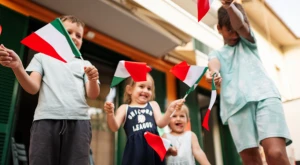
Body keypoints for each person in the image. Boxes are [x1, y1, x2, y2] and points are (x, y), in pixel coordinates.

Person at [0, 15, 100, 165]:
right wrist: (18, 67)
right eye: (69, 32)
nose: (74, 37)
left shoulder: (84, 64)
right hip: (45, 120)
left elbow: (93, 94)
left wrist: (92, 79)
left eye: (78, 35)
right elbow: (32, 87)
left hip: (79, 123)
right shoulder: (42, 58)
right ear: (57, 36)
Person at [205, 1, 292, 165]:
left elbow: (241, 27)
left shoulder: (248, 40)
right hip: (235, 107)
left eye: (237, 29)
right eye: (229, 30)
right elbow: (214, 64)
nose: (235, 34)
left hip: (264, 96)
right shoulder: (216, 53)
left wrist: (229, 5)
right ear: (219, 28)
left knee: (275, 153)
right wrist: (213, 73)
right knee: (251, 161)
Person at [104, 74, 183, 165]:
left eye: (149, 88)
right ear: (130, 89)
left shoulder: (153, 105)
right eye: (141, 86)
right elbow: (114, 127)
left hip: (154, 151)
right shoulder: (124, 108)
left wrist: (170, 110)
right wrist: (110, 114)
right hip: (135, 153)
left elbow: (161, 123)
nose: (145, 90)